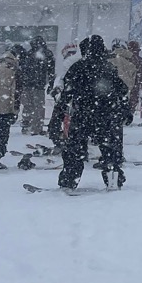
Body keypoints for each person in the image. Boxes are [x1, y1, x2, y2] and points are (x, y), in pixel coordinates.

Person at [50, 35, 129, 191]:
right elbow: (122, 90)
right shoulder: (109, 67)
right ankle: (113, 181)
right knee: (109, 151)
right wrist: (124, 110)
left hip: (82, 116)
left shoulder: (77, 67)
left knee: (74, 151)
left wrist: (57, 115)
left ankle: (69, 182)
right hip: (105, 116)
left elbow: (67, 94)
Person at [17, 37, 54, 135]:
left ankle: (26, 125)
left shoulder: (29, 54)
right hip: (39, 85)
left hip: (28, 84)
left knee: (28, 106)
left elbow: (23, 69)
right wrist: (51, 83)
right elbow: (51, 70)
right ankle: (36, 128)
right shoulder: (47, 54)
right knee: (38, 107)